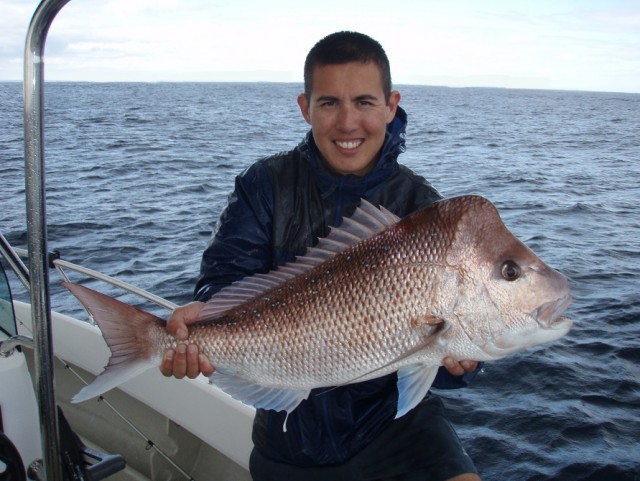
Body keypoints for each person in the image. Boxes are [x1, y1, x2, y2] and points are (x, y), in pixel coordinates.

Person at [160, 31, 482, 481]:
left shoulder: (421, 205)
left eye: (365, 102)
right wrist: (208, 314)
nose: (348, 122)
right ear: (304, 107)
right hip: (292, 434)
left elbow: (438, 353)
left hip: (396, 426)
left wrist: (461, 362)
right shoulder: (265, 185)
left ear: (391, 106)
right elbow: (224, 277)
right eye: (329, 103)